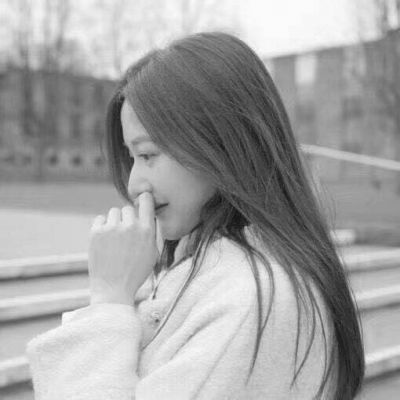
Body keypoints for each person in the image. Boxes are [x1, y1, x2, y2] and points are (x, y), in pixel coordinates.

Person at [26, 31, 365, 399]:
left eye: (148, 155)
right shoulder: (229, 276)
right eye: (131, 157)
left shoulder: (247, 298)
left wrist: (109, 299)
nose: (135, 183)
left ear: (219, 144)